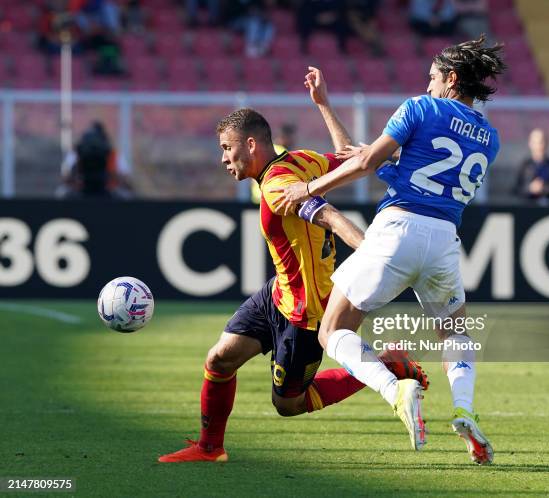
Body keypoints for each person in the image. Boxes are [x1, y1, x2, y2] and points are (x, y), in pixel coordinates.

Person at [158, 74, 428, 463]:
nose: (222, 158)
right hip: (278, 293)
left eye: (226, 148)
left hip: (307, 313)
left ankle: (387, 364)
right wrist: (323, 104)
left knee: (288, 404)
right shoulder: (301, 160)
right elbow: (352, 158)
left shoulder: (276, 188)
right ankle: (209, 448)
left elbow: (331, 217)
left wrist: (373, 254)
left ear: (250, 145)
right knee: (219, 359)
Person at [271, 35, 506, 464]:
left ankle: (393, 388)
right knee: (455, 333)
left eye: (433, 78)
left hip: (398, 230)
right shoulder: (490, 138)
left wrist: (307, 187)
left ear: (451, 79)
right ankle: (464, 410)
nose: (428, 84)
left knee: (333, 330)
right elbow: (363, 158)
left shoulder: (420, 107)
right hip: (445, 241)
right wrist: (325, 105)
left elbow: (362, 165)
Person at [57, 121, 133, 198]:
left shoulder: (113, 154)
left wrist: (112, 177)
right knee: (62, 193)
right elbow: (66, 176)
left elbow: (124, 177)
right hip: (81, 190)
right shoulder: (76, 153)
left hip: (108, 191)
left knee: (125, 195)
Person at [513, 128, 549, 204]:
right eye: (535, 142)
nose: (539, 146)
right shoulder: (524, 166)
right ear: (530, 144)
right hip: (528, 210)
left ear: (547, 143)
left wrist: (548, 189)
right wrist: (530, 189)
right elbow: (515, 190)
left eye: (541, 142)